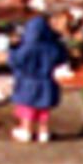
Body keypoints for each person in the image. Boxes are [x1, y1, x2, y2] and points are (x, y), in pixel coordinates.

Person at [6, 10, 70, 144]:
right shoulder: (53, 46)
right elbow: (62, 57)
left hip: (28, 82)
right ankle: (43, 132)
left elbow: (16, 61)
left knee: (27, 108)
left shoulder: (27, 48)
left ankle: (26, 130)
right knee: (43, 109)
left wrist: (12, 49)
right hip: (47, 82)